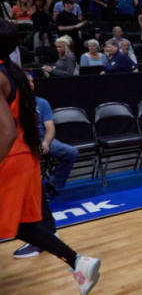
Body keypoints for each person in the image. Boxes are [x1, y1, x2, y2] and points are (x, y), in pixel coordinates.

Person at [0, 21, 100, 294]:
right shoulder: (13, 72)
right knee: (26, 227)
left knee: (23, 226)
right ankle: (79, 262)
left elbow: (6, 132)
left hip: (9, 158)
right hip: (24, 158)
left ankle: (79, 261)